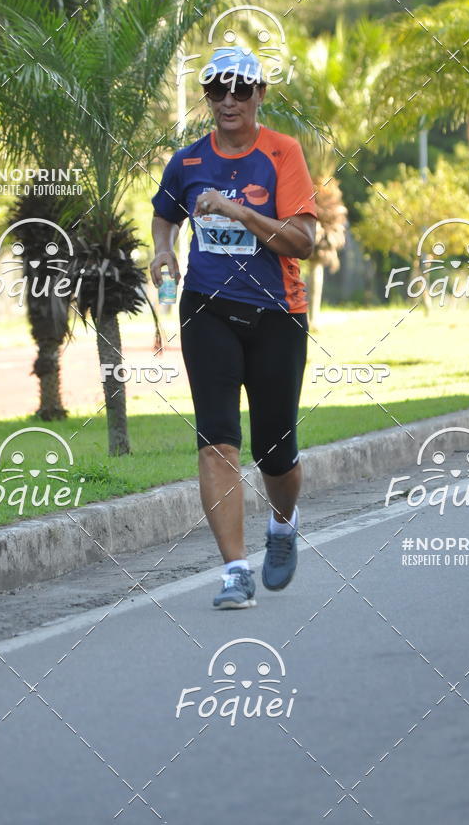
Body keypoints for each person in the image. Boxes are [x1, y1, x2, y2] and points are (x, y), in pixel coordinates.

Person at [150, 46, 317, 609]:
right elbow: (165, 212)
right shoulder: (189, 161)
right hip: (207, 308)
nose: (228, 100)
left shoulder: (282, 154)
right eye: (217, 89)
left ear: (259, 95)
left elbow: (305, 242)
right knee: (217, 438)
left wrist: (241, 212)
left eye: (240, 89)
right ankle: (234, 572)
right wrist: (162, 251)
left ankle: (283, 521)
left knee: (276, 451)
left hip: (277, 314)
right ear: (207, 97)